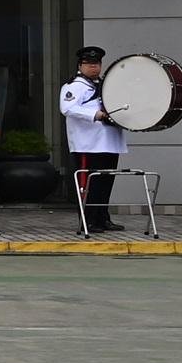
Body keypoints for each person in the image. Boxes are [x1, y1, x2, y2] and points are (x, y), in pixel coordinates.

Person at [58, 46, 123, 230]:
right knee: (90, 183)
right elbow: (68, 108)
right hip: (89, 143)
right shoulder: (74, 86)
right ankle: (88, 220)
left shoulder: (105, 85)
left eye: (97, 64)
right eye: (89, 64)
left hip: (109, 141)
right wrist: (95, 114)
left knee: (105, 182)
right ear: (80, 65)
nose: (94, 68)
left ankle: (103, 217)